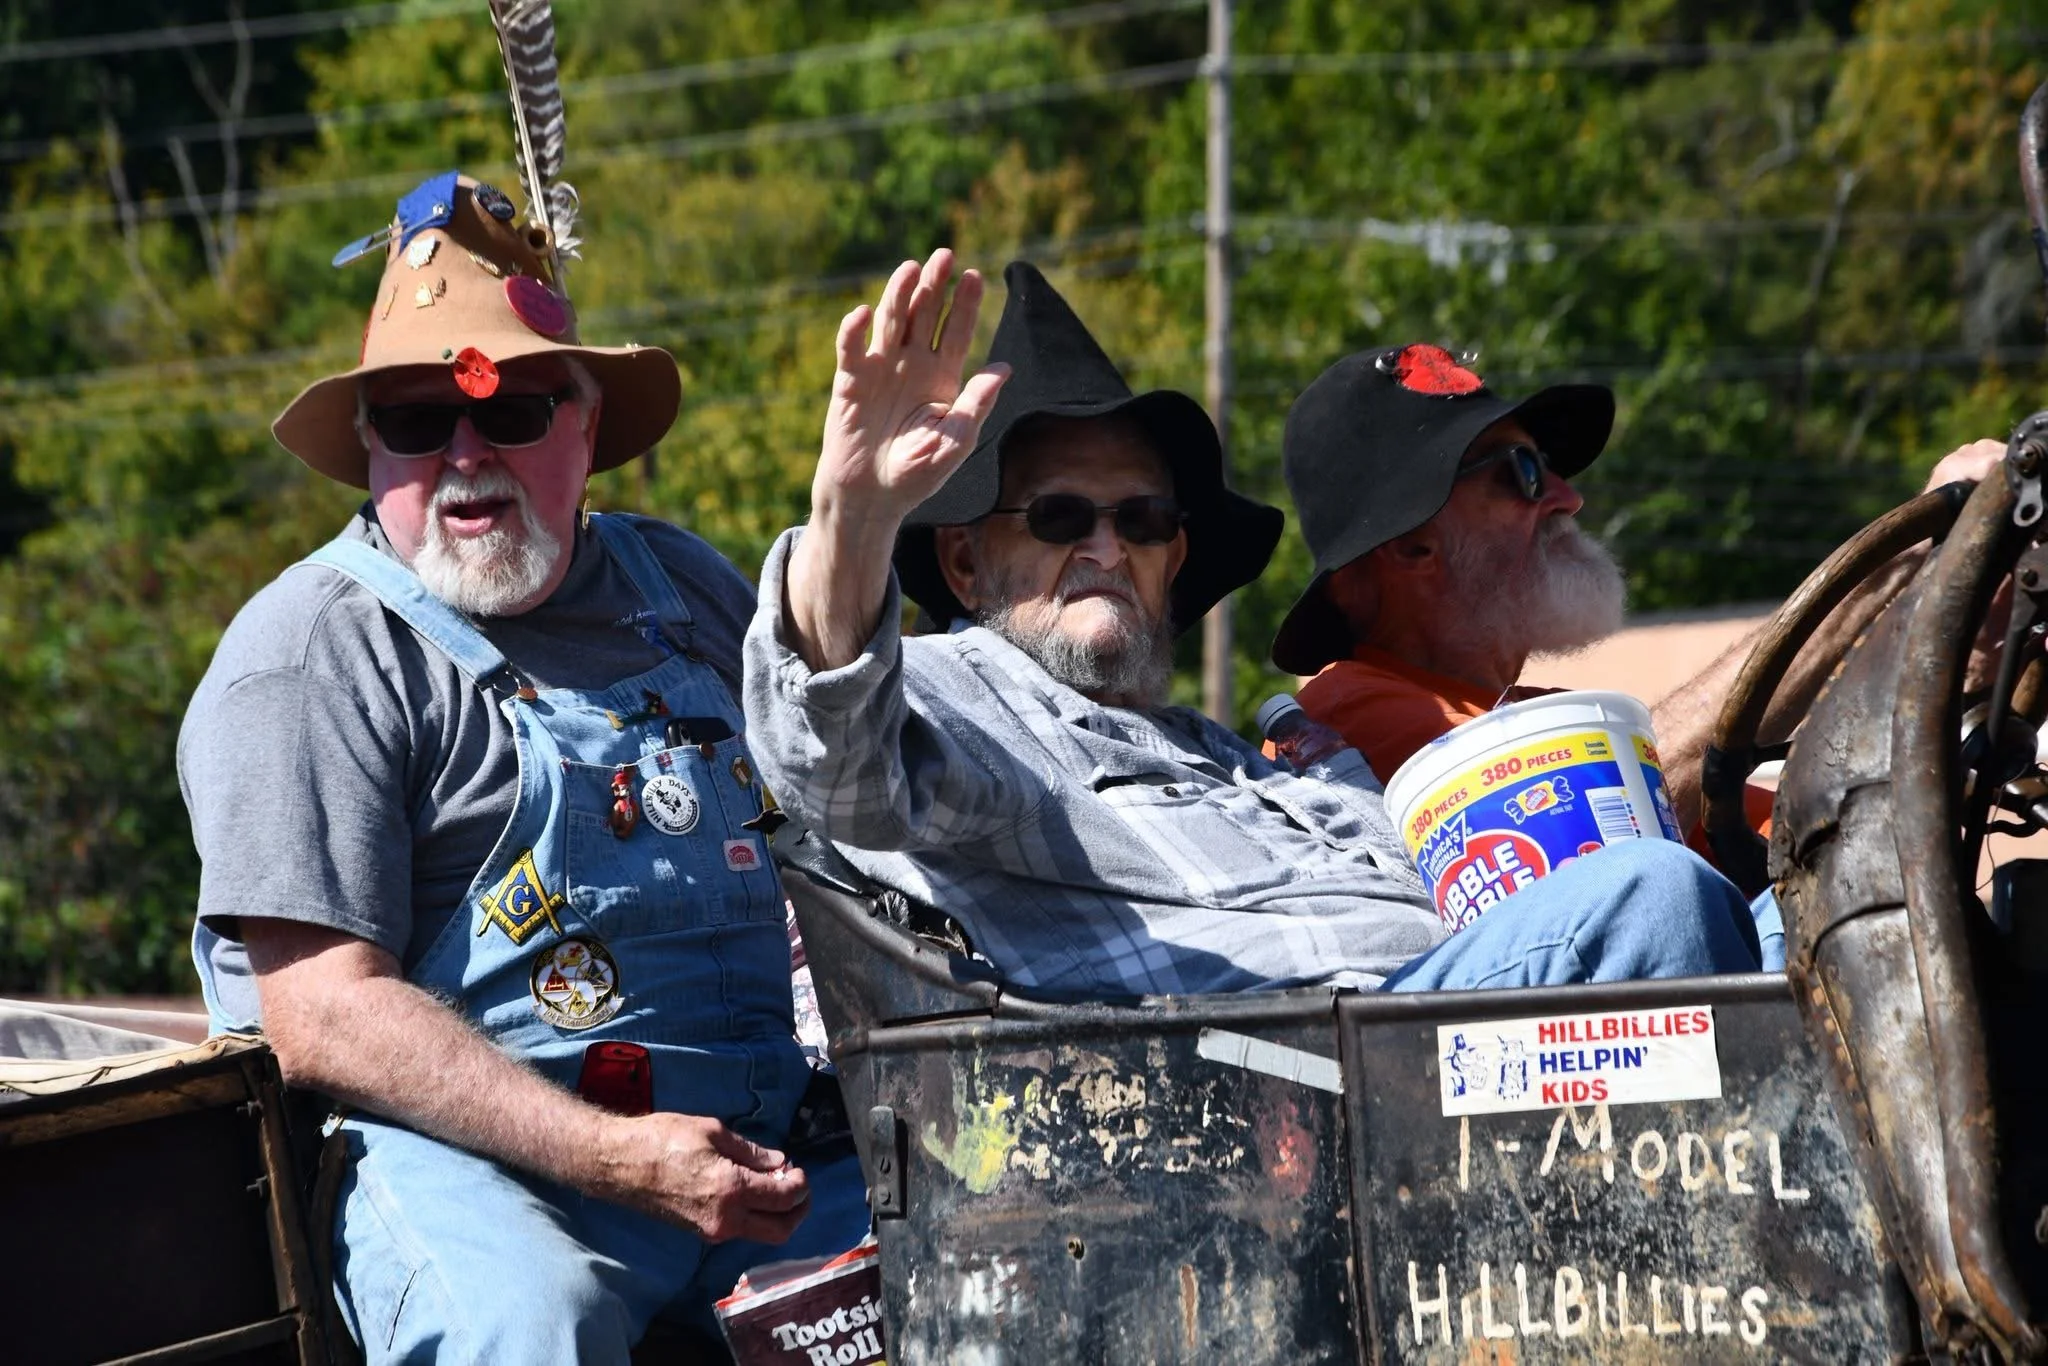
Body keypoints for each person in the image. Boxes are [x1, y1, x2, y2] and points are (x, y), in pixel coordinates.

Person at [179, 172, 867, 1363]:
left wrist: (862, 506)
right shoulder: (312, 655)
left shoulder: (687, 586)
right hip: (484, 1178)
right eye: (410, 418)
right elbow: (321, 1014)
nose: (462, 454)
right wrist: (616, 1158)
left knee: (989, 1265)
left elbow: (846, 778)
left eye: (510, 410)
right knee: (528, 1331)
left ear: (586, 424)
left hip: (763, 1157)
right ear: (365, 446)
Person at [742, 254, 1764, 1004]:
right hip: (1263, 1117)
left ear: (1174, 558)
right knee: (1651, 896)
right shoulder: (947, 695)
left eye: (1141, 520)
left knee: (1812, 929)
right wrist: (854, 518)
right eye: (1060, 517)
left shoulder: (1240, 755)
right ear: (964, 563)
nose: (1106, 546)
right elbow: (830, 766)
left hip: (1439, 1038)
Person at [1271, 345, 2005, 970]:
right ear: (1409, 546)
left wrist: (1963, 655)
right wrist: (1903, 560)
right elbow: (1623, 823)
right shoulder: (1345, 722)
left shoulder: (1531, 716)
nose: (1566, 497)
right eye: (1521, 472)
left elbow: (1826, 840)